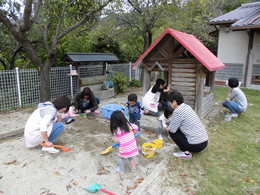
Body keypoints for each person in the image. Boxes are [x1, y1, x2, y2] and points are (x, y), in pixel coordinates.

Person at [168, 91, 208, 159]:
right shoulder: (187, 106)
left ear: (174, 102)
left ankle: (186, 153)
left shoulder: (177, 111)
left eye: (170, 102)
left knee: (171, 132)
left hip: (196, 145)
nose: (169, 104)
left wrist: (167, 128)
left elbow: (172, 129)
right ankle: (188, 148)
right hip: (204, 142)